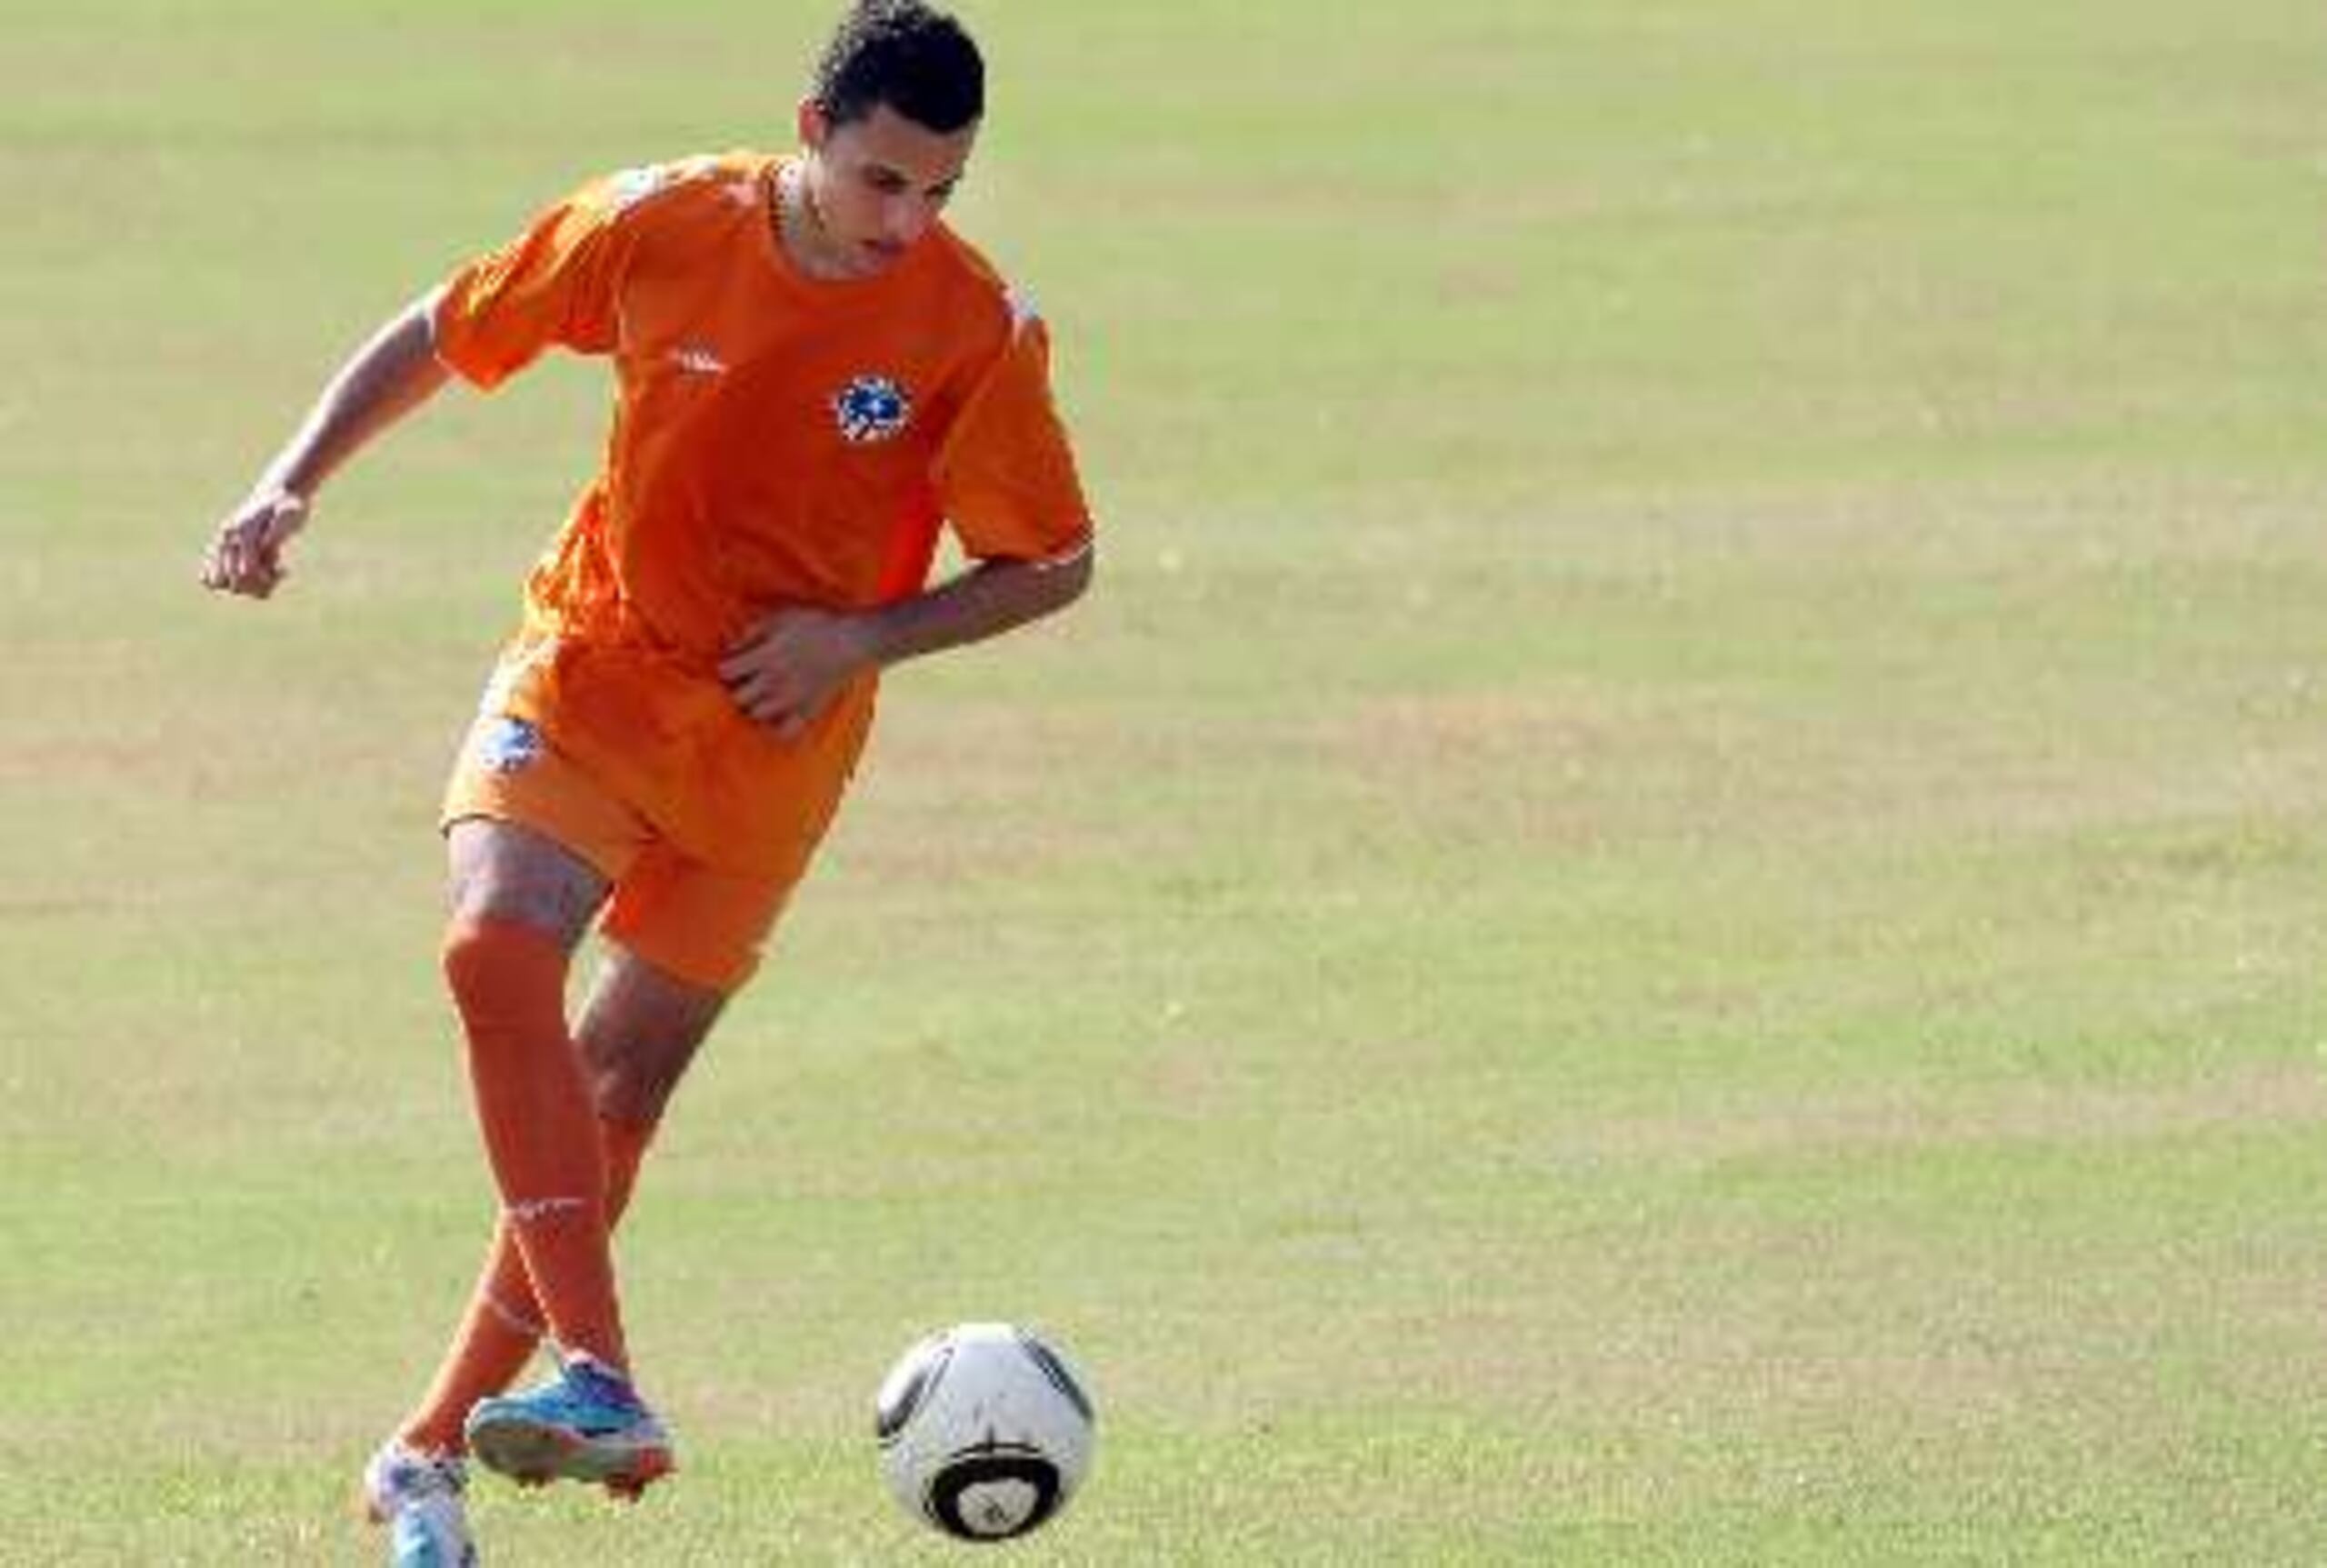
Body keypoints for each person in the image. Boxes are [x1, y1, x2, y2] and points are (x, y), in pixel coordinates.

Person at [199, 4, 1094, 1561]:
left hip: (772, 742)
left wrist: (857, 638)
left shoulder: (975, 329)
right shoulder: (659, 224)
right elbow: (446, 325)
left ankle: (423, 1453)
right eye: (884, 181)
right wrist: (292, 478)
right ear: (812, 133)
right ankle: (603, 1375)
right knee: (493, 944)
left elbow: (1053, 561)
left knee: (616, 1090)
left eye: (941, 192)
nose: (908, 223)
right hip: (597, 665)